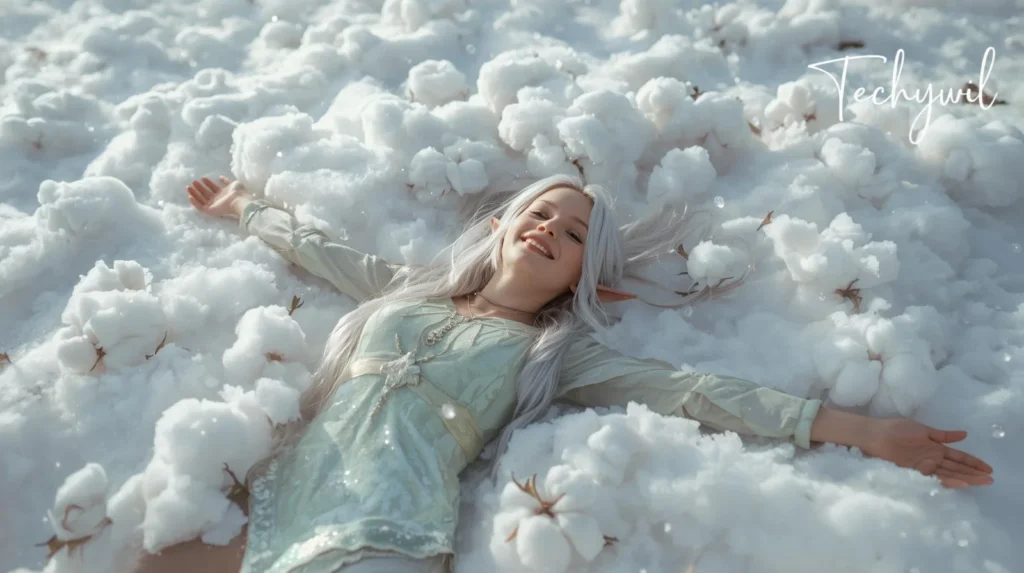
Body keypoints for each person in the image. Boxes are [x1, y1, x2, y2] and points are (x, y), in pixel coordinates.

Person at [140, 174, 993, 573]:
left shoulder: (557, 352)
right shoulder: (409, 292)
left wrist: (865, 429)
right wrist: (245, 206)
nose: (550, 226)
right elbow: (327, 252)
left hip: (382, 533)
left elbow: (694, 392)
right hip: (282, 500)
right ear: (507, 224)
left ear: (590, 276)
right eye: (541, 210)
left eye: (576, 231)